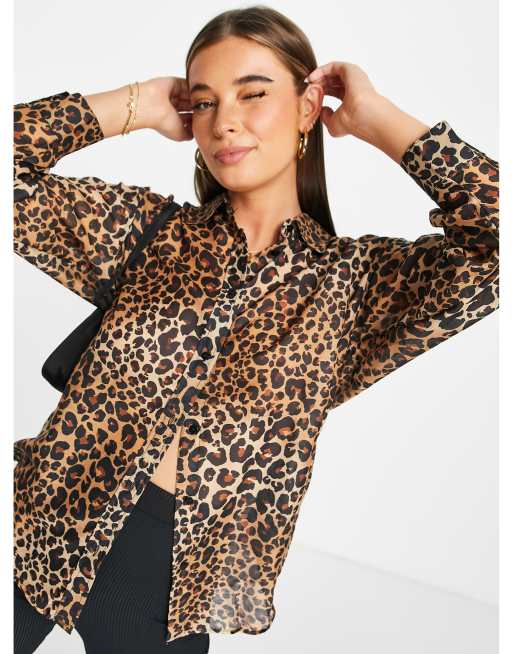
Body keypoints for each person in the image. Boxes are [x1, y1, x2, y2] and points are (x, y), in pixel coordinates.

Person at [13, 5, 499, 653]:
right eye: (205, 102)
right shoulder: (149, 234)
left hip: (171, 581)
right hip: (40, 521)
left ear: (307, 107)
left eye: (253, 94)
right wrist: (137, 104)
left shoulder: (353, 287)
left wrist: (376, 119)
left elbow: (496, 246)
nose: (224, 122)